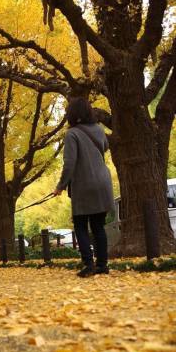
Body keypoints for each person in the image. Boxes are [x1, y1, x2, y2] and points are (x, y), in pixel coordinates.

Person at [53, 97, 114, 277]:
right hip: (103, 181)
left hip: (84, 184)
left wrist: (60, 186)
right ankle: (102, 265)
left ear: (72, 114)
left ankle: (89, 265)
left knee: (80, 224)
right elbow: (104, 147)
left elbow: (69, 163)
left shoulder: (72, 134)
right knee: (98, 226)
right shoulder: (99, 129)